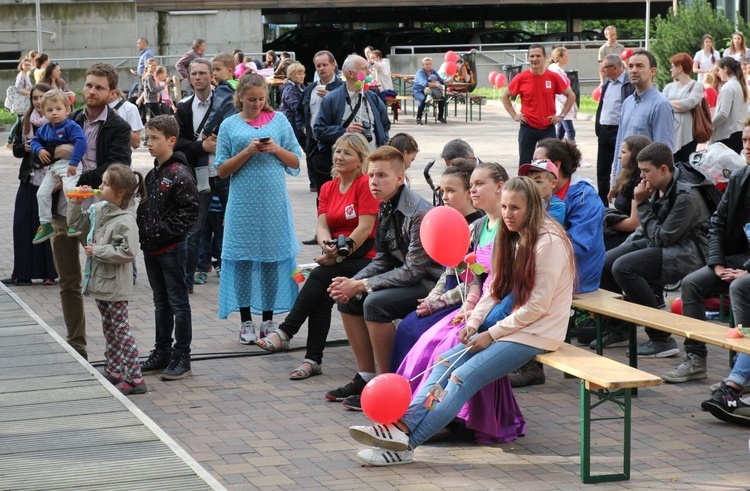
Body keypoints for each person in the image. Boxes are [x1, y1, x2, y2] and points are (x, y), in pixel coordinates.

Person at [348, 176, 576, 467]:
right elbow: (494, 288)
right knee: (444, 361)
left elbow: (538, 307)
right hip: (510, 325)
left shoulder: (549, 243)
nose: (507, 214)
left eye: (515, 208)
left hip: (535, 333)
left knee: (460, 377)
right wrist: (473, 321)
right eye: (505, 206)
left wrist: (490, 334)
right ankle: (399, 430)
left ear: (532, 209)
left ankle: (404, 444)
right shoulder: (512, 236)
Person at [255, 134, 378, 380]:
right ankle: (312, 360)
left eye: (347, 153)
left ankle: (287, 332)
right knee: (323, 289)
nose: (340, 157)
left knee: (321, 276)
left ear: (360, 160)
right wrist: (327, 246)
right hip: (336, 255)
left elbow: (365, 229)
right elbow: (322, 226)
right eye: (338, 151)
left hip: (366, 256)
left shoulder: (364, 184)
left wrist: (338, 256)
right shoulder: (328, 187)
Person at [327, 146, 442, 409]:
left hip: (431, 283)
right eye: (371, 175)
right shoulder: (386, 205)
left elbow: (414, 270)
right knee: (349, 299)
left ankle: (388, 382)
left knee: (373, 304)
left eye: (381, 176)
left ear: (400, 178)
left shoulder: (419, 212)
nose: (374, 182)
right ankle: (365, 377)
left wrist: (362, 284)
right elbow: (384, 259)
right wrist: (352, 283)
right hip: (408, 278)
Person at [48, 62, 133, 359]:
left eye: (99, 87)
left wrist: (79, 179)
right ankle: (77, 348)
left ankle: (116, 354)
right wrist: (57, 155)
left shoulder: (119, 127)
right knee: (68, 283)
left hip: (99, 218)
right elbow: (37, 151)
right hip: (63, 212)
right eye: (88, 85)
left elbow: (118, 167)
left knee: (105, 286)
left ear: (111, 93)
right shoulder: (67, 119)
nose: (92, 91)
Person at [600, 142, 713, 356]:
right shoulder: (659, 184)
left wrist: (641, 204)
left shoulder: (686, 195)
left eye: (645, 171)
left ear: (663, 169)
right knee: (607, 263)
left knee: (625, 267)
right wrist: (626, 246)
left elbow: (663, 238)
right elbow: (648, 231)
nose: (642, 177)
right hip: (663, 242)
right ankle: (619, 327)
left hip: (689, 253)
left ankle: (661, 339)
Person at [214, 73, 303, 343]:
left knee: (272, 259)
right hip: (242, 204)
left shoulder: (279, 120)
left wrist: (275, 148)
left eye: (261, 99)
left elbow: (296, 161)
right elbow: (220, 169)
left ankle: (267, 318)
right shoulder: (229, 125)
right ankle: (245, 321)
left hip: (273, 203)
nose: (256, 104)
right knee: (242, 260)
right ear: (240, 96)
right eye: (251, 99)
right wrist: (246, 152)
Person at [662, 121, 750, 383]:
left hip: (746, 268)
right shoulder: (740, 176)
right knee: (691, 284)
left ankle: (741, 369)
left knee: (740, 287)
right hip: (733, 262)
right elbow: (717, 223)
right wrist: (716, 263)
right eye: (745, 141)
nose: (747, 147)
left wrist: (746, 268)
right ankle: (695, 358)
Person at [510, 138, 604, 384]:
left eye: (539, 166)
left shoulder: (584, 196)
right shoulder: (536, 196)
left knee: (525, 291)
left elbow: (577, 247)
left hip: (578, 273)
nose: (533, 170)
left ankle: (529, 364)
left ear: (555, 169)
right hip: (547, 266)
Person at [389, 160, 487, 372]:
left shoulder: (476, 227)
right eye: (442, 190)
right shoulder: (448, 220)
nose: (444, 197)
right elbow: (447, 270)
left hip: (464, 300)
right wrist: (433, 296)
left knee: (420, 332)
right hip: (447, 293)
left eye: (451, 190)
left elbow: (474, 281)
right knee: (407, 326)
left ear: (469, 193)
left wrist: (440, 302)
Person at [67, 164, 147, 395]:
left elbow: (129, 252)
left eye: (105, 184)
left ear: (120, 192)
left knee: (121, 330)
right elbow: (77, 225)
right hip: (102, 282)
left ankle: (135, 378)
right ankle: (113, 370)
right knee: (109, 328)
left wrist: (98, 251)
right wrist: (75, 204)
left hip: (116, 286)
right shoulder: (101, 209)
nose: (99, 187)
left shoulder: (125, 221)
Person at [136, 115, 199, 380]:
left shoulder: (179, 174)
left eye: (154, 138)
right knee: (160, 302)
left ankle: (182, 355)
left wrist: (161, 232)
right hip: (152, 249)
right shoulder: (154, 173)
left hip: (171, 249)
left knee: (178, 303)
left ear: (171, 141)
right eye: (147, 138)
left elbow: (190, 211)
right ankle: (162, 351)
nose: (148, 143)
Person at [174, 58, 230, 293]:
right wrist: (201, 147)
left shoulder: (227, 102)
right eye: (193, 74)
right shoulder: (184, 107)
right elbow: (177, 142)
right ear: (188, 78)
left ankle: (234, 275)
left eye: (202, 73)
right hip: (199, 174)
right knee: (195, 228)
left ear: (211, 76)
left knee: (233, 225)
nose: (198, 77)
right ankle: (187, 280)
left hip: (227, 172)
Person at [3, 83, 57, 286]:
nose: (37, 101)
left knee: (45, 226)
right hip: (28, 178)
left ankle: (48, 274)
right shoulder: (25, 120)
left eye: (41, 97)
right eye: (34, 98)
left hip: (50, 182)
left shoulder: (57, 121)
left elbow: (66, 148)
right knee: (22, 224)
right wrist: (24, 148)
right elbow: (15, 149)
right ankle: (22, 273)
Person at [610, 49, 674, 201]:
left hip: (646, 185)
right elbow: (620, 142)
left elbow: (664, 150)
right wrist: (615, 180)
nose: (633, 70)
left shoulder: (660, 105)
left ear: (652, 71)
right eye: (630, 66)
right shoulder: (627, 103)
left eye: (639, 66)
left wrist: (657, 190)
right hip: (625, 182)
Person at [501, 44, 575, 167]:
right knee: (525, 163)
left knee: (549, 164)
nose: (535, 59)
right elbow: (504, 97)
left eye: (538, 56)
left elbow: (571, 96)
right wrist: (514, 115)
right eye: (532, 56)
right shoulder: (521, 78)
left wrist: (561, 116)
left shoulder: (553, 77)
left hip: (548, 127)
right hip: (527, 127)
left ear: (544, 57)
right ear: (528, 58)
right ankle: (525, 186)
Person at [30, 89, 87, 245]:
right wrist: (40, 149)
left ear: (67, 110)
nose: (54, 113)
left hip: (70, 166)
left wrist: (74, 163)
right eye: (49, 110)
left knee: (70, 193)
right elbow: (34, 141)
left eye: (58, 109)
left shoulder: (71, 126)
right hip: (55, 168)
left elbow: (82, 143)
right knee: (41, 193)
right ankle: (45, 224)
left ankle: (75, 223)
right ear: (43, 113)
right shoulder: (45, 128)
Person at [314, 54, 390, 159]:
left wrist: (383, 143)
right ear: (350, 74)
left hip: (372, 162)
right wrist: (344, 131)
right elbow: (319, 130)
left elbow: (385, 125)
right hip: (345, 164)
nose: (368, 72)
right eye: (364, 69)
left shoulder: (373, 98)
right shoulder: (331, 99)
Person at [295, 50, 344, 197]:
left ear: (334, 64)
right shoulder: (310, 90)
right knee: (322, 194)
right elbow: (299, 112)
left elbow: (349, 113)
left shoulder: (343, 89)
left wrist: (331, 98)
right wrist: (304, 128)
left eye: (325, 65)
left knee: (340, 191)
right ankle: (322, 219)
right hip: (315, 147)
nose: (321, 68)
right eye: (318, 66)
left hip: (337, 145)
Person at [595, 54, 634, 207]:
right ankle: (603, 204)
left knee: (622, 167)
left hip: (620, 130)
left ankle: (621, 200)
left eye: (605, 68)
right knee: (602, 169)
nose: (602, 71)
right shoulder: (607, 84)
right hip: (604, 131)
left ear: (615, 68)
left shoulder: (628, 84)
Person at [603, 135, 652, 251]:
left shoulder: (640, 181)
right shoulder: (628, 175)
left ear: (635, 156)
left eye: (623, 152)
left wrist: (605, 221)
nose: (619, 156)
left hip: (634, 236)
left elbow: (634, 224)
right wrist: (616, 188)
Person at [663, 53, 704, 163]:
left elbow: (689, 103)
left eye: (672, 66)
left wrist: (669, 104)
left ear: (680, 68)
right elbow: (662, 105)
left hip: (688, 136)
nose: (670, 69)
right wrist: (680, 106)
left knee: (686, 167)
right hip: (670, 134)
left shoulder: (697, 86)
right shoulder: (669, 87)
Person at [710, 57, 749, 154]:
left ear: (725, 68)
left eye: (719, 70)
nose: (719, 73)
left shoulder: (728, 87)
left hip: (726, 135)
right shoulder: (741, 85)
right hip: (739, 131)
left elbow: (723, 114)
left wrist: (709, 125)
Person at [518, 158, 566, 224]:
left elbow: (546, 226)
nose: (532, 186)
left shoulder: (557, 206)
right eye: (530, 182)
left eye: (538, 182)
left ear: (553, 183)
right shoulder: (527, 201)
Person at [546, 47, 577, 142]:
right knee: (570, 131)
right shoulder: (555, 70)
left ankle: (555, 147)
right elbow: (559, 89)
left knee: (561, 131)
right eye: (566, 56)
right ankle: (571, 151)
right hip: (562, 104)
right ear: (559, 57)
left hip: (564, 103)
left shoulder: (559, 70)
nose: (567, 58)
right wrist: (566, 103)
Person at [5, 57, 33, 148]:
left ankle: (11, 140)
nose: (27, 66)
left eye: (29, 65)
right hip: (22, 102)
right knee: (19, 121)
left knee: (20, 121)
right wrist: (30, 93)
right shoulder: (21, 75)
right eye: (25, 65)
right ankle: (9, 140)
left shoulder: (25, 74)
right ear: (21, 65)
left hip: (25, 101)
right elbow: (18, 88)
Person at [280, 62, 307, 151]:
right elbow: (296, 107)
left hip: (299, 124)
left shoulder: (302, 87)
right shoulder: (289, 89)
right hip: (293, 125)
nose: (302, 76)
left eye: (303, 73)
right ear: (291, 75)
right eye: (299, 74)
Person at [412, 57, 447, 125]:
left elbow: (440, 80)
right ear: (423, 65)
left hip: (430, 91)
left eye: (430, 64)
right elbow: (424, 84)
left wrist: (447, 81)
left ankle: (440, 116)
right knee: (423, 99)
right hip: (418, 91)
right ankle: (418, 118)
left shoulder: (432, 71)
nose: (429, 66)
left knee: (442, 98)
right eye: (427, 64)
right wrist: (437, 85)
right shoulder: (420, 72)